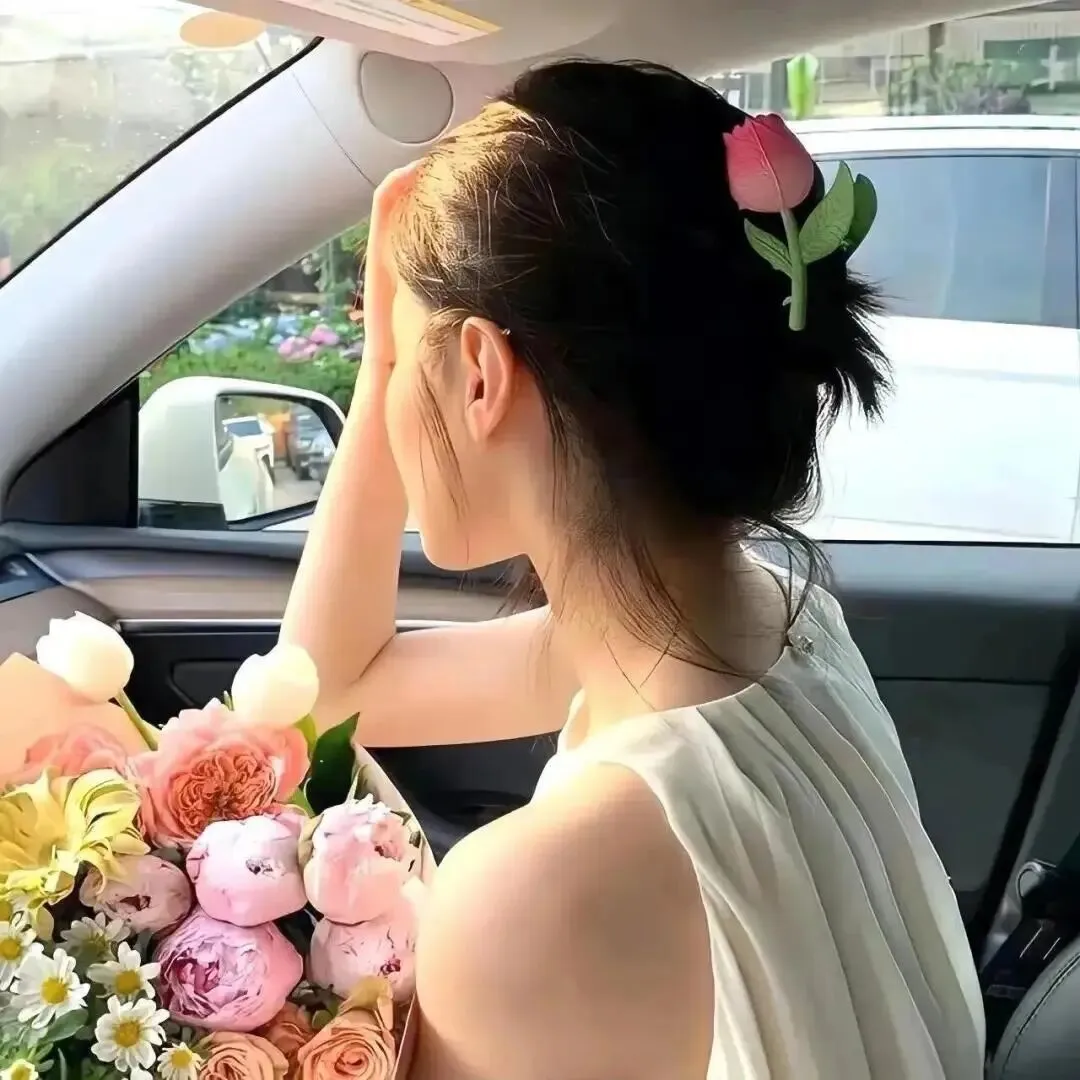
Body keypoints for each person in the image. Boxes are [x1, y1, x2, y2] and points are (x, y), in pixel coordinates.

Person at [282, 60, 985, 1080]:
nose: (388, 394)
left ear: (480, 375)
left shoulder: (531, 895)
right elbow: (329, 697)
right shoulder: (779, 625)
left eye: (400, 357)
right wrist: (400, 358)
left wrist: (389, 362)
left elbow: (313, 701)